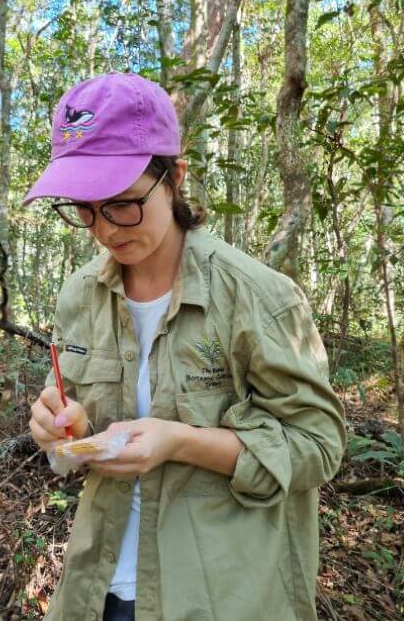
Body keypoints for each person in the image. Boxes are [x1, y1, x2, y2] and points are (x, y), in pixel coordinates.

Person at [24, 72, 345, 621]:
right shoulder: (81, 295)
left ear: (174, 177)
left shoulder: (256, 296)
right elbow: (72, 416)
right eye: (85, 208)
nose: (104, 228)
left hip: (218, 595)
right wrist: (60, 426)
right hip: (96, 588)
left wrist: (181, 442)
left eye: (122, 204)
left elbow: (318, 446)